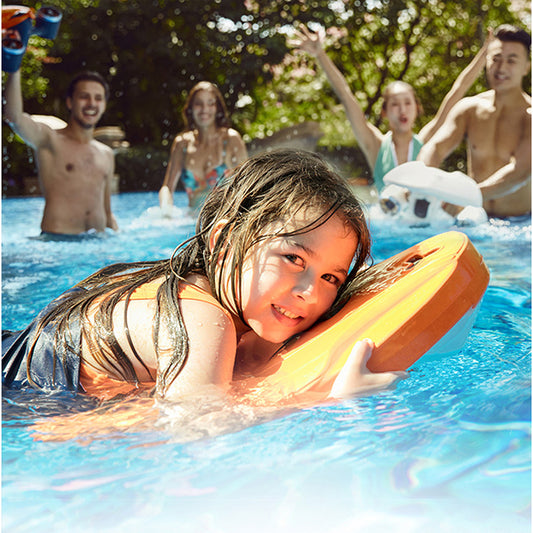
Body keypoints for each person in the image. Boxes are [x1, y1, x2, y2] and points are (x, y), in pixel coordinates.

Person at [2, 150, 404, 403]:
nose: (309, 291)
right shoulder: (201, 319)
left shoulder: (202, 292)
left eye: (332, 278)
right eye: (294, 259)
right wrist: (328, 397)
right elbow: (197, 435)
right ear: (223, 240)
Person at [290, 24, 492, 192]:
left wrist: (484, 55)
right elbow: (346, 95)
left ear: (417, 108)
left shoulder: (427, 143)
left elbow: (457, 92)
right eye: (395, 104)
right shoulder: (376, 146)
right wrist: (320, 55)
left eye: (407, 103)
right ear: (385, 112)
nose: (402, 110)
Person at [418, 24, 531, 218]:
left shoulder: (529, 115)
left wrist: (468, 196)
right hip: (475, 221)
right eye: (496, 59)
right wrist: (421, 181)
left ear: (527, 67)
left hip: (519, 226)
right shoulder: (469, 109)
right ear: (487, 60)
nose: (501, 67)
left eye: (511, 61)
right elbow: (435, 148)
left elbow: (522, 171)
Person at [4, 70, 118, 235]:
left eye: (98, 98)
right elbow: (14, 117)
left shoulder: (106, 153)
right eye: (84, 96)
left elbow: (107, 212)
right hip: (58, 242)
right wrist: (14, 68)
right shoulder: (50, 140)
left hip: (98, 242)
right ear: (70, 102)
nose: (92, 103)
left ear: (104, 105)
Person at [158, 81, 248, 215]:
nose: (204, 109)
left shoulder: (230, 140)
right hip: (192, 221)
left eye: (210, 103)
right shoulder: (182, 144)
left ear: (217, 108)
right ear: (191, 108)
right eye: (198, 104)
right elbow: (167, 188)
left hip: (224, 219)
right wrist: (166, 211)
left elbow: (248, 183)